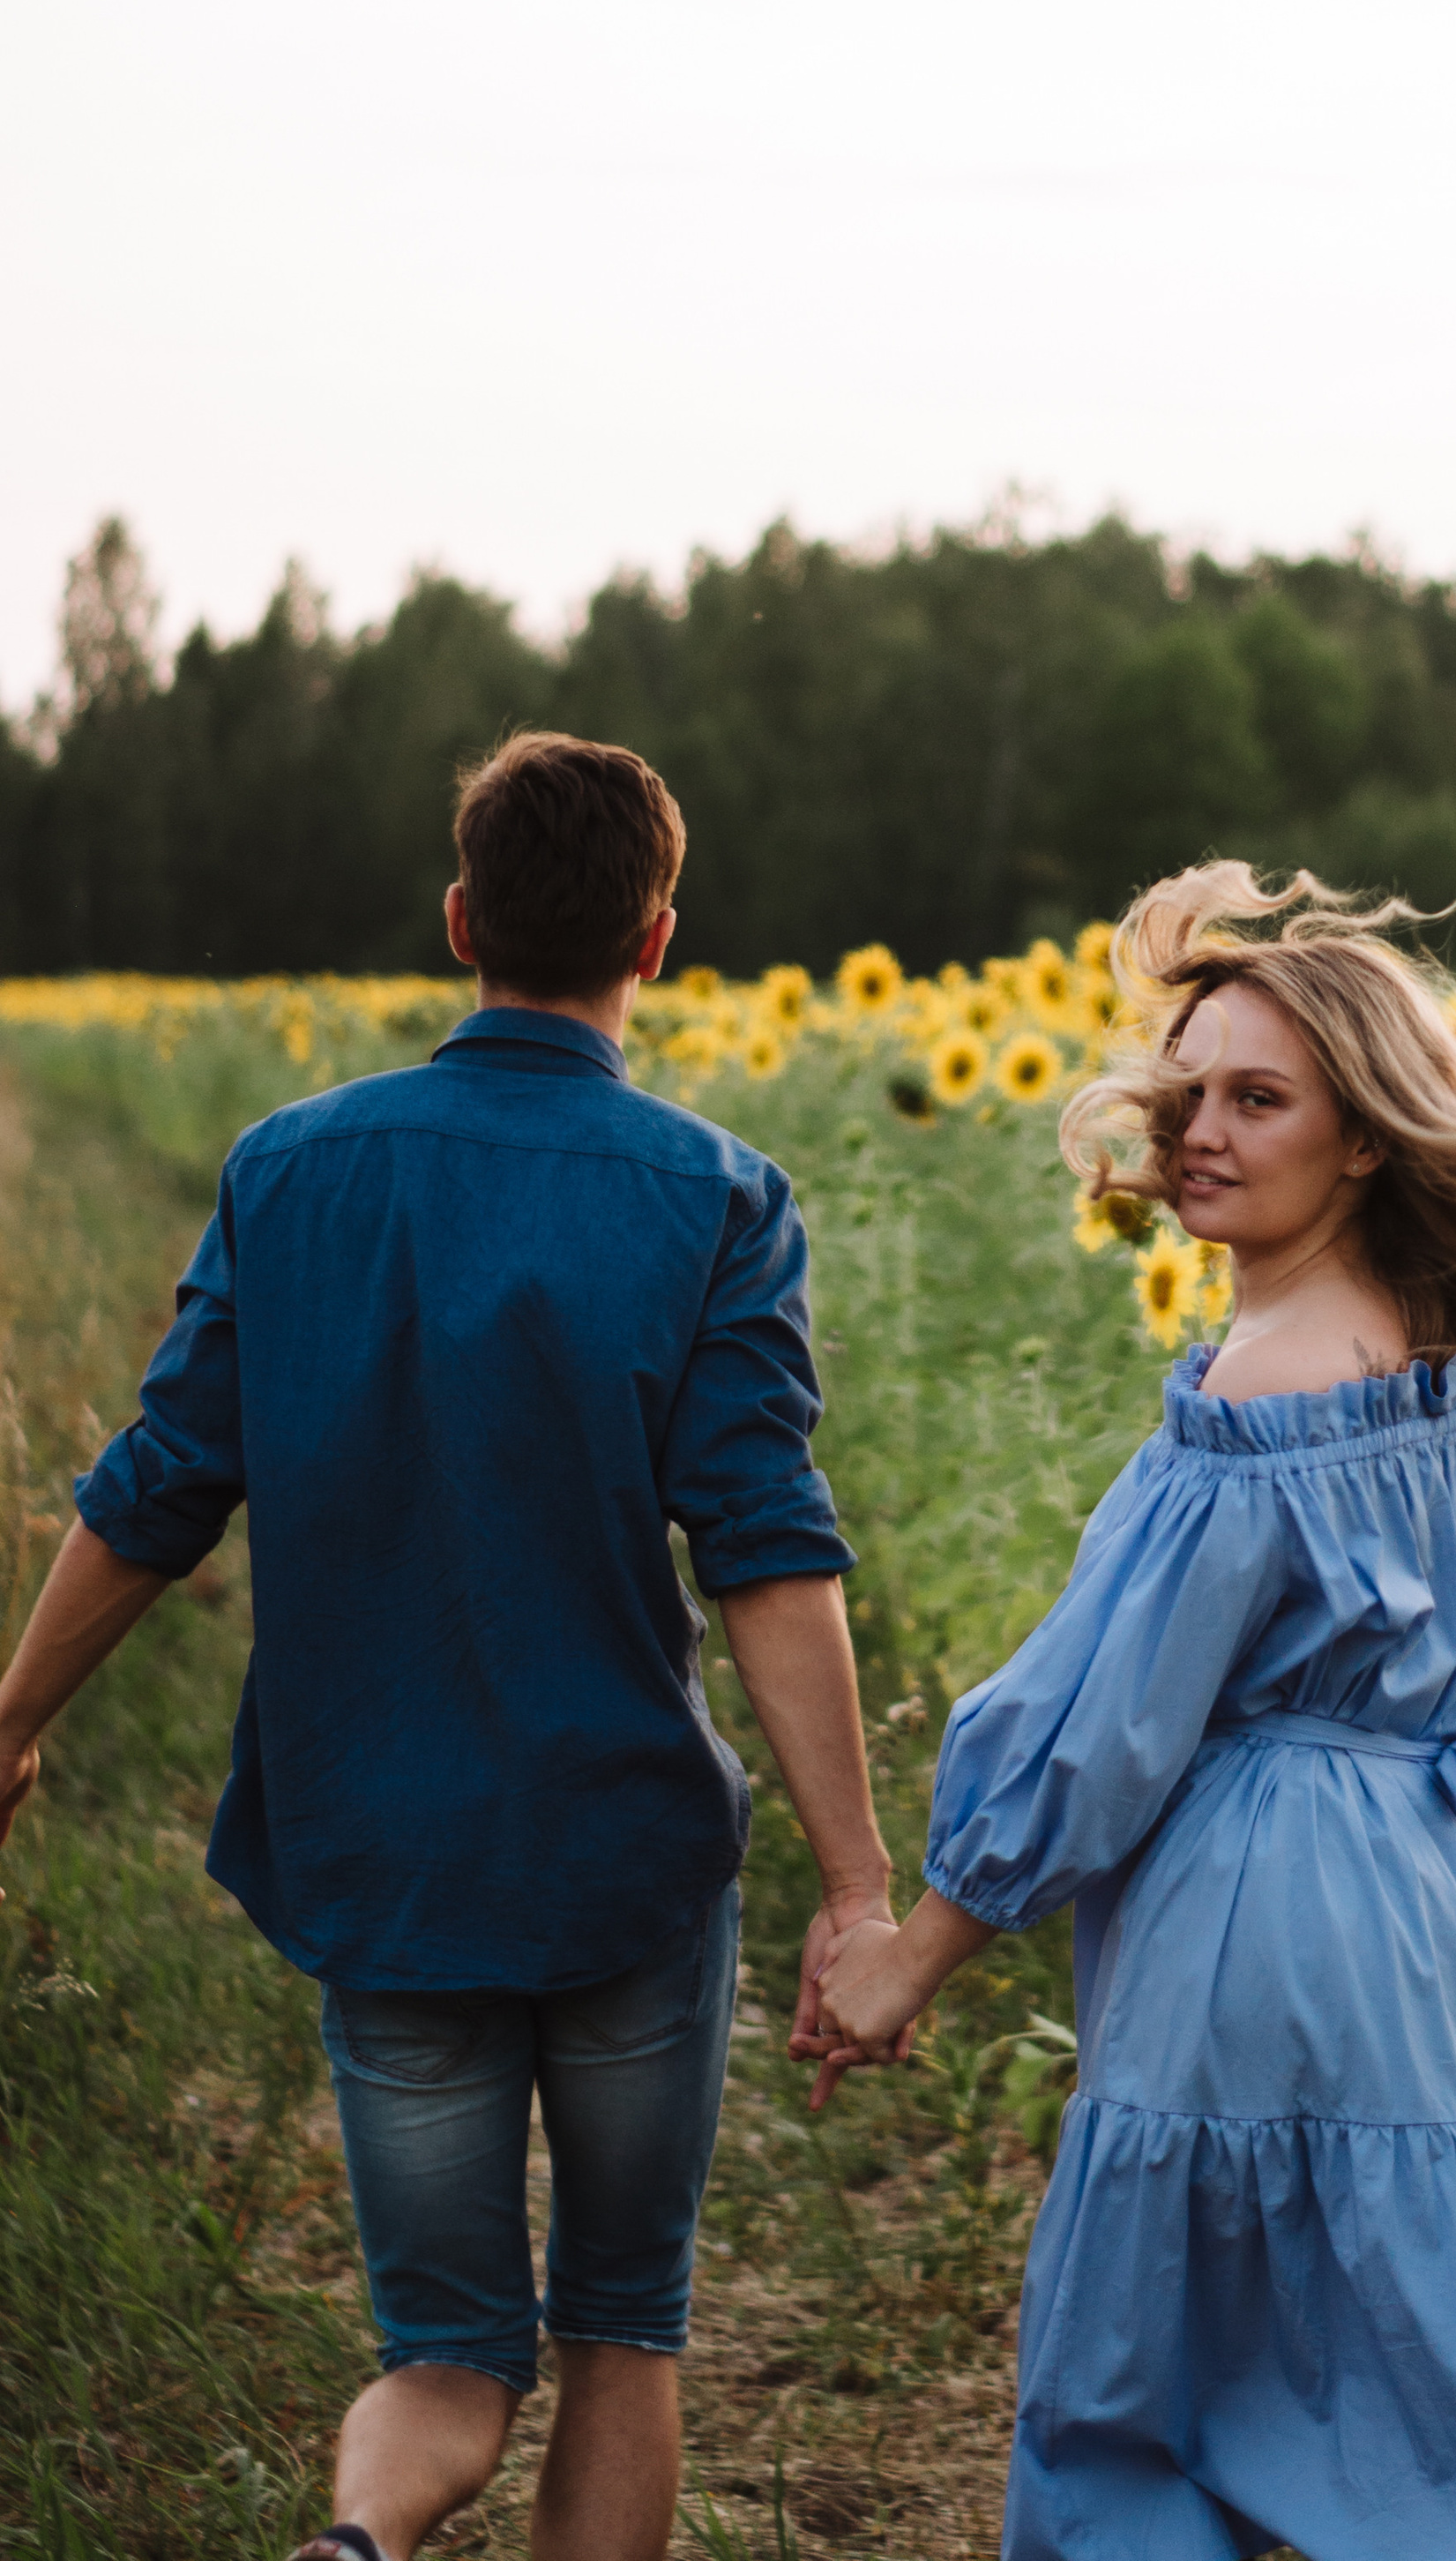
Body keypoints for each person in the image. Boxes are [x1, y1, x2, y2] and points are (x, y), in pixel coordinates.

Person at [809, 864, 1456, 2561]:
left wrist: (916, 1952)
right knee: (1445, 2368)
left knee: (1162, 2396)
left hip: (1263, 1926)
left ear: (1362, 1143)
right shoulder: (1432, 1355)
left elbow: (1102, 1724)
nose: (1199, 1133)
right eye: (1188, 1094)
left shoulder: (1258, 1393)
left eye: (1256, 1100)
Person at [0, 731, 899, 2561]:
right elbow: (767, 1548)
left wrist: (13, 1717)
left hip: (384, 1853)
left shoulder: (290, 1171)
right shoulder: (715, 1196)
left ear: (459, 920)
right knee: (624, 2327)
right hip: (625, 1856)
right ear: (657, 941)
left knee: (444, 2356)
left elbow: (162, 1486)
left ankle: (360, 2542)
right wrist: (855, 1880)